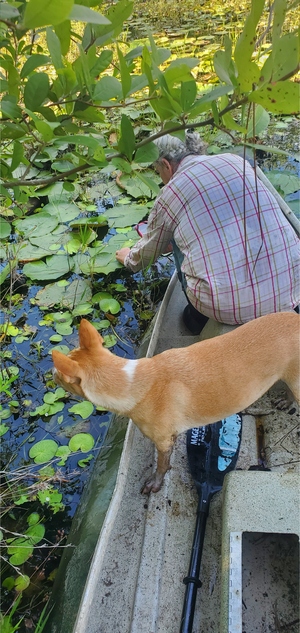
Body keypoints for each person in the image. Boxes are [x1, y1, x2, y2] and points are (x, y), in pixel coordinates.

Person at [116, 132, 300, 334]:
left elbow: (148, 252)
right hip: (295, 284)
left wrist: (129, 259)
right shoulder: (236, 161)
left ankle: (198, 318)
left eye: (158, 170)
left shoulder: (169, 194)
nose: (160, 178)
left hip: (227, 308)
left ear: (166, 165)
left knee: (174, 235)